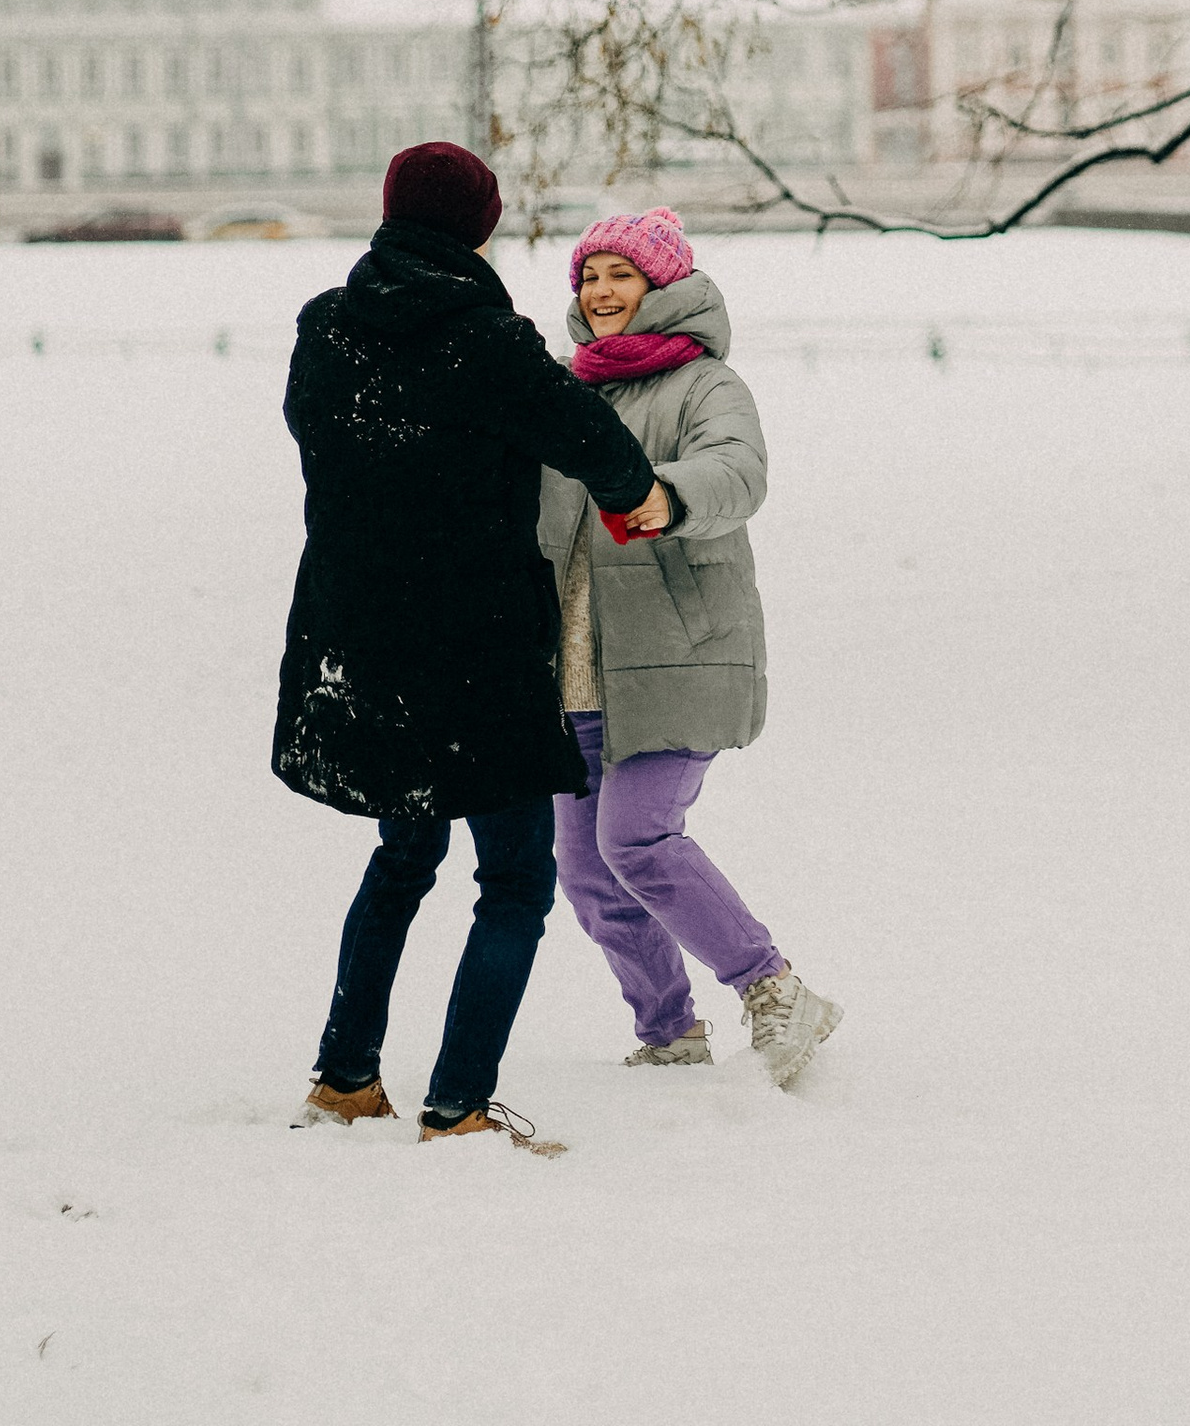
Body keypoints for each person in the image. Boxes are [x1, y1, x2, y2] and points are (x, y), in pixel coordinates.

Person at [273, 139, 674, 1152]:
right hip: (474, 647)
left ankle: (346, 1077)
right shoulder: (487, 341)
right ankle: (457, 1105)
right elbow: (590, 440)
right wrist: (643, 500)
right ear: (480, 225)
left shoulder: (327, 328)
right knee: (516, 879)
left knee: (403, 849)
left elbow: (324, 438)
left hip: (359, 640)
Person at [540, 204, 841, 1088]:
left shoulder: (706, 385)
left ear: (662, 285)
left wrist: (667, 494)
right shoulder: (564, 389)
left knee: (636, 838)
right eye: (590, 276)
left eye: (620, 275)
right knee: (589, 873)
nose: (601, 292)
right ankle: (668, 1030)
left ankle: (777, 991)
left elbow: (738, 470)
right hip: (578, 668)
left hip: (680, 652)